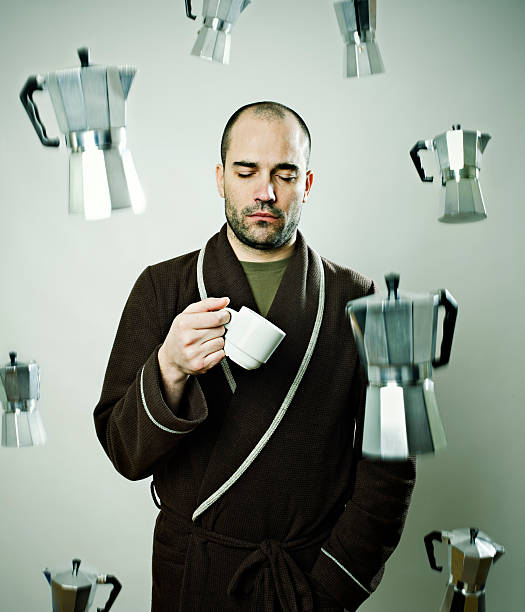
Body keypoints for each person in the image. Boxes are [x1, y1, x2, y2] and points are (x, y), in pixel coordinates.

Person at [94, 101, 416, 612]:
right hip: (192, 577)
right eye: (246, 172)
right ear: (221, 178)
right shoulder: (162, 287)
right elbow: (122, 453)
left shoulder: (362, 300)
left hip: (305, 582)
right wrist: (169, 369)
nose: (265, 192)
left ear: (307, 184)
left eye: (284, 175)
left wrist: (332, 587)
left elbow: (392, 465)